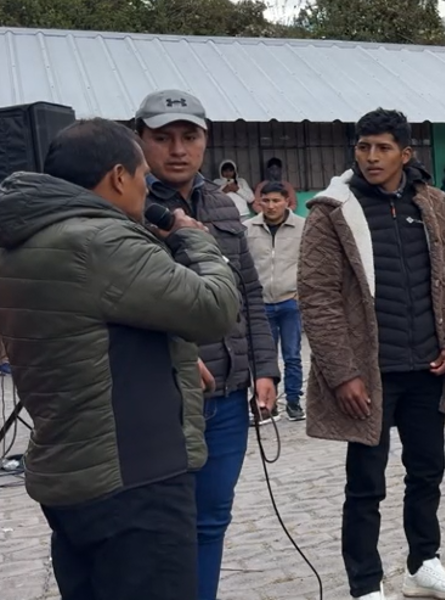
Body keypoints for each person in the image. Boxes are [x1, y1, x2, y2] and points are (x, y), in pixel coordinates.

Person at [0, 118, 240, 600]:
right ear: (117, 177)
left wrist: (165, 356)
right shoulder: (100, 241)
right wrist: (193, 237)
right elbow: (216, 308)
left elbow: (80, 333)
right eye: (141, 177)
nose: (144, 191)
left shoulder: (26, 237)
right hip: (136, 482)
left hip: (75, 476)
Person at [298, 108, 445, 600]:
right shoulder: (331, 210)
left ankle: (423, 564)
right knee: (365, 485)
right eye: (363, 147)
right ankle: (364, 585)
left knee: (427, 472)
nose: (371, 157)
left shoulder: (436, 204)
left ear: (406, 153)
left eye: (382, 148)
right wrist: (342, 373)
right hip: (369, 376)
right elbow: (316, 296)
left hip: (428, 365)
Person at [135, 90, 280, 600]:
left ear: (205, 140)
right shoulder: (126, 204)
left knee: (213, 519)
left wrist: (266, 366)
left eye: (189, 136)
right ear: (140, 140)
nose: (178, 149)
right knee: (162, 529)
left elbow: (248, 290)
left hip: (227, 395)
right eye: (163, 137)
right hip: (160, 399)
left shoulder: (224, 204)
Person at [244, 181, 306, 422]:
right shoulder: (247, 229)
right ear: (259, 203)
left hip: (290, 301)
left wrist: (300, 293)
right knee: (262, 356)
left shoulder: (302, 227)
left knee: (292, 354)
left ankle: (293, 402)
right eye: (266, 201)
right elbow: (244, 265)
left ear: (287, 202)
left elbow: (309, 262)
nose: (271, 206)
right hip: (260, 305)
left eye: (276, 201)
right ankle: (265, 404)